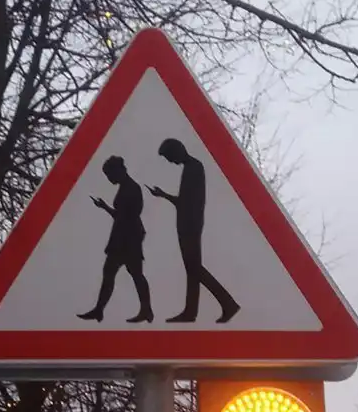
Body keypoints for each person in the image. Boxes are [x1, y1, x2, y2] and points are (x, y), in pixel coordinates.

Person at [149, 138, 240, 323]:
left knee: (194, 268)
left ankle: (228, 304)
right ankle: (191, 311)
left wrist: (164, 196)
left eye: (169, 157)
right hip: (188, 223)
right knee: (192, 269)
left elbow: (188, 202)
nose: (170, 162)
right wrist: (163, 195)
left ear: (177, 151)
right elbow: (185, 201)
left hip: (190, 225)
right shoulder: (191, 167)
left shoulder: (194, 168)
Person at [78, 155, 153, 323]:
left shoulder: (132, 188)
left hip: (129, 238)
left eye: (110, 175)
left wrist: (110, 210)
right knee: (110, 273)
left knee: (135, 274)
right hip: (121, 237)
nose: (109, 179)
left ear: (119, 170)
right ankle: (99, 310)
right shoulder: (125, 187)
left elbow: (130, 216)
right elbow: (121, 215)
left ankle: (146, 310)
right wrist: (105, 207)